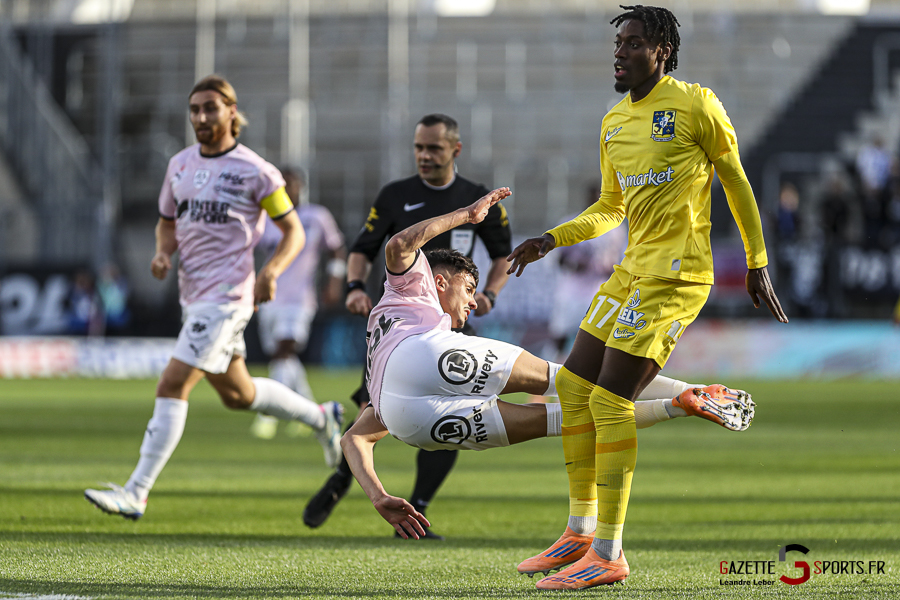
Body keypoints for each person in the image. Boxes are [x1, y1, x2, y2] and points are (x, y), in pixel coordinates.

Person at [506, 6, 788, 589]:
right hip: (630, 272)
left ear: (660, 49)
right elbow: (611, 206)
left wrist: (758, 263)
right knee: (575, 387)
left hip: (677, 276)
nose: (619, 52)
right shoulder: (613, 121)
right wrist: (551, 239)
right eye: (617, 44)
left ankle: (609, 553)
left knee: (610, 400)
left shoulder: (696, 105)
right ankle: (580, 534)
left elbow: (735, 180)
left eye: (632, 43)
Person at [341, 187, 755, 542]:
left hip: (400, 417)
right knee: (570, 381)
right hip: (424, 355)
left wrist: (378, 496)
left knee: (565, 420)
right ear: (440, 280)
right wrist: (467, 216)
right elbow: (399, 246)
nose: (472, 302)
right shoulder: (416, 282)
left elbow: (353, 440)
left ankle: (680, 403)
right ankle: (690, 389)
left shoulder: (384, 332)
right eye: (469, 289)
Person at [84, 75, 343, 520]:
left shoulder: (257, 171)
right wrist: (164, 252)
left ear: (231, 113)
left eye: (210, 108)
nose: (201, 117)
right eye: (194, 110)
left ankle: (136, 492)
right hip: (194, 297)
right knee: (238, 395)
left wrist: (272, 270)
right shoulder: (180, 165)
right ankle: (323, 416)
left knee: (173, 382)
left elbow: (293, 231)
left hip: (229, 298)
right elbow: (167, 220)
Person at [303, 114, 512, 537]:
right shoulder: (396, 195)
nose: (423, 155)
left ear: (454, 150)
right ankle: (346, 478)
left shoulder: (479, 198)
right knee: (371, 410)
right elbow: (364, 248)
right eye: (418, 147)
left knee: (452, 414)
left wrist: (488, 293)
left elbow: (503, 255)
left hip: (452, 322)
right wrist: (355, 286)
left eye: (433, 148)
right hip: (401, 329)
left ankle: (417, 508)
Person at [249, 167, 348, 440]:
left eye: (293, 184)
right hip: (270, 297)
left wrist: (334, 281)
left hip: (300, 299)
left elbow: (337, 248)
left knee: (283, 351)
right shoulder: (266, 218)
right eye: (284, 185)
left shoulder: (316, 216)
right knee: (284, 358)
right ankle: (313, 413)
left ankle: (267, 415)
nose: (289, 189)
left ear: (301, 186)